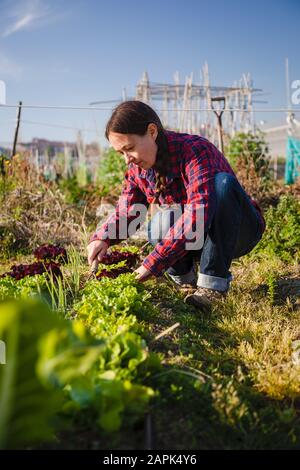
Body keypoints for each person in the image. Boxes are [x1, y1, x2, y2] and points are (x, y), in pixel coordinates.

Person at [87, 100, 265, 311]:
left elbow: (198, 214)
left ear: (152, 131)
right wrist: (103, 238)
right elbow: (129, 211)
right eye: (121, 153)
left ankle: (212, 287)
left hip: (237, 232)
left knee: (223, 185)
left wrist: (152, 263)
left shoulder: (195, 151)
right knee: (162, 223)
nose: (127, 160)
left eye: (130, 148)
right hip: (197, 239)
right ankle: (186, 283)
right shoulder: (138, 171)